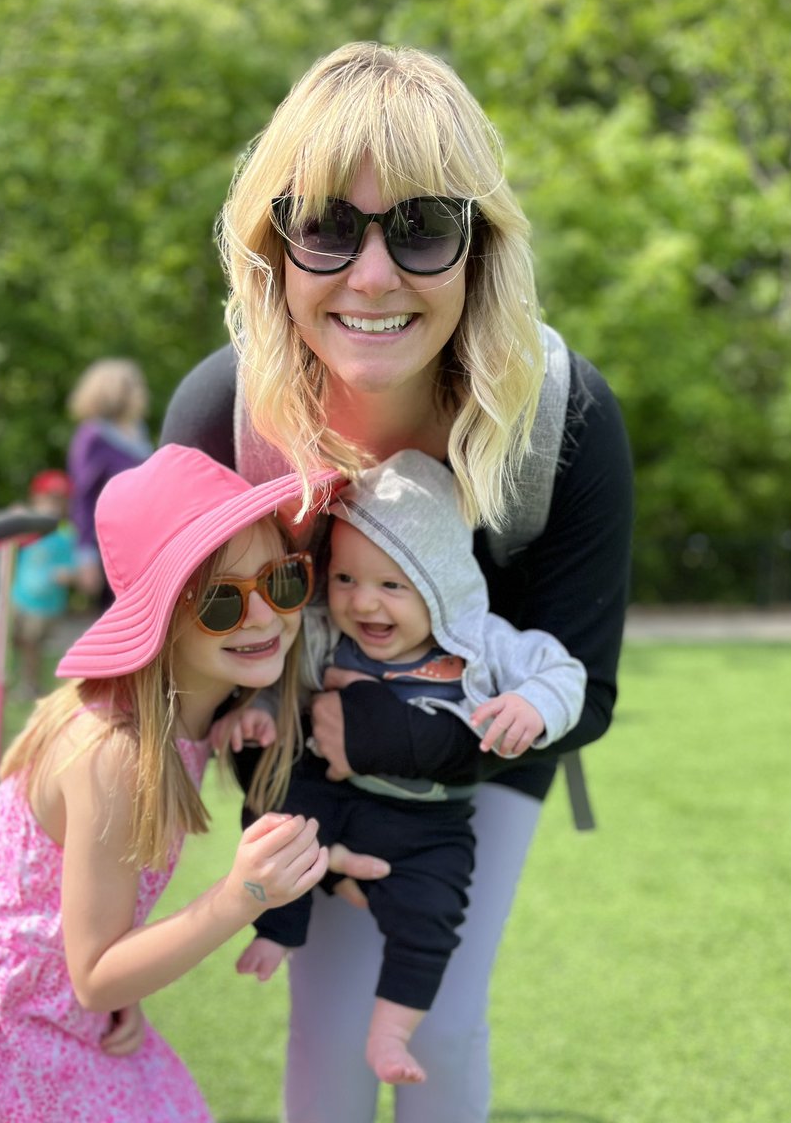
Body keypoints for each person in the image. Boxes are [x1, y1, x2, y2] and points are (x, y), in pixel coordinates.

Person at [161, 41, 634, 1123]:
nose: (372, 276)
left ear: (480, 247)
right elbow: (169, 679)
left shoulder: (564, 421)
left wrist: (392, 744)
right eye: (326, 226)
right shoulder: (222, 422)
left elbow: (586, 692)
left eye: (421, 227)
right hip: (298, 754)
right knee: (329, 1026)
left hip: (485, 736)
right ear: (272, 249)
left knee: (440, 1021)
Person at [0, 443, 347, 1123]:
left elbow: (90, 949)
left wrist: (122, 979)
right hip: (4, 1028)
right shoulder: (114, 752)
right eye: (220, 601)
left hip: (56, 997)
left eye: (281, 581)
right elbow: (94, 974)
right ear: (160, 618)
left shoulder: (190, 712)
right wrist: (241, 895)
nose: (262, 615)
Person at [229, 449, 587, 1086]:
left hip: (430, 823)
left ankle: (392, 1033)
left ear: (441, 583)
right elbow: (280, 678)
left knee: (433, 913)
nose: (364, 603)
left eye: (392, 585)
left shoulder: (480, 642)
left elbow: (563, 671)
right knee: (279, 816)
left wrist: (533, 704)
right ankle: (277, 926)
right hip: (336, 795)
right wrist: (257, 713)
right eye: (346, 579)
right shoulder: (324, 635)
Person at [66, 357, 154, 610]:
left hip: (143, 543)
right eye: (136, 386)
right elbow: (83, 497)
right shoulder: (93, 436)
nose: (142, 393)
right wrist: (85, 554)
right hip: (109, 547)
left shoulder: (138, 431)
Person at [9, 468, 78, 699]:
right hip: (19, 598)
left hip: (45, 605)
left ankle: (30, 685)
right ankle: (18, 681)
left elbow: (76, 566)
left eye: (59, 501)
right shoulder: (29, 530)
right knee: (15, 641)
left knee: (32, 644)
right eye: (49, 500)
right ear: (36, 500)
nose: (53, 507)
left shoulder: (66, 533)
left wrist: (69, 574)